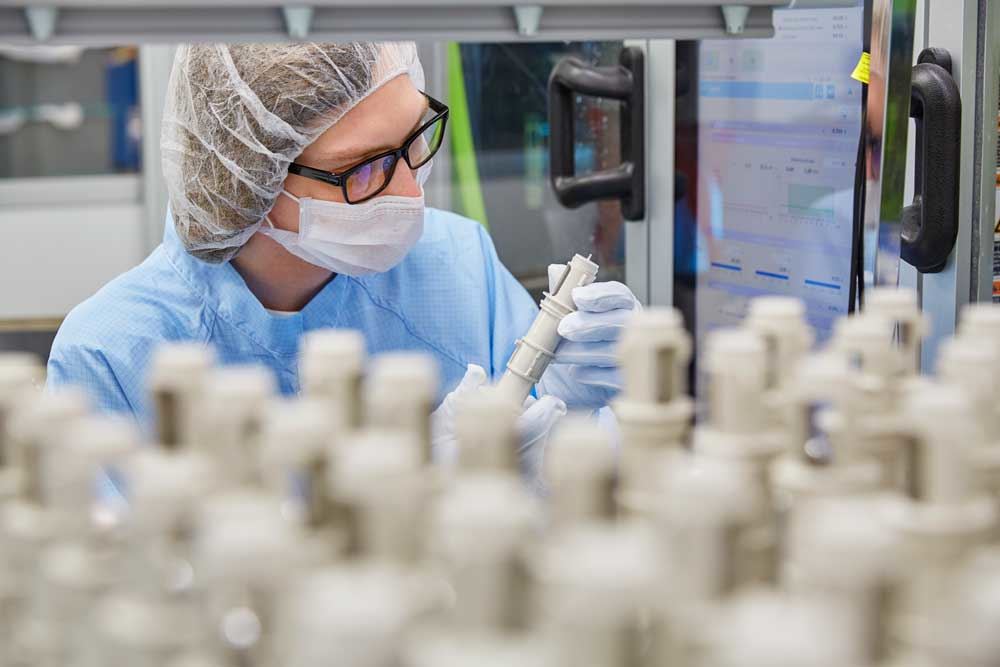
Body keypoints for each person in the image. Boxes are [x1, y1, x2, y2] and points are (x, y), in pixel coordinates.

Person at [46, 42, 638, 460]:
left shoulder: (457, 262)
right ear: (248, 178)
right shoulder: (110, 357)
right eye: (367, 168)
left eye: (414, 140)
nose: (410, 193)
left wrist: (579, 412)